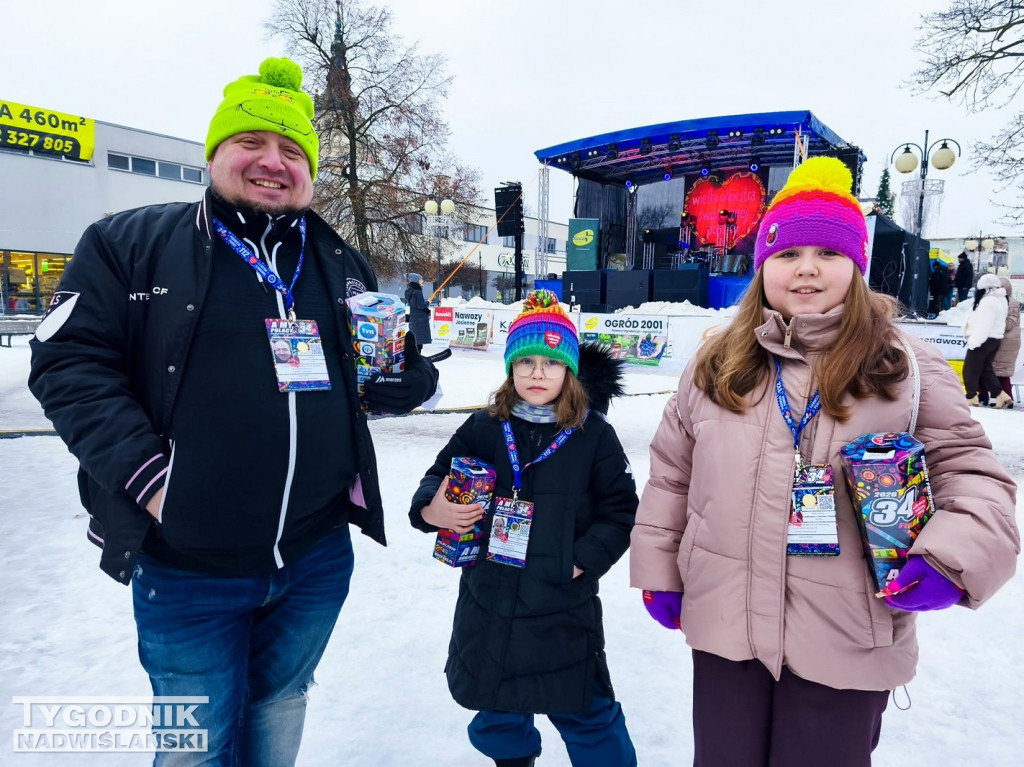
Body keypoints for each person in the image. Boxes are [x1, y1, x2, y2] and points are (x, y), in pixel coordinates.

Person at [28, 57, 439, 766]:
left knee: (280, 705)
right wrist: (151, 481)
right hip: (186, 562)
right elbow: (67, 365)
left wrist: (401, 374)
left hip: (313, 557)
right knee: (194, 746)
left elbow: (368, 386)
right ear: (215, 152)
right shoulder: (130, 245)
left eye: (292, 150)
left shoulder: (339, 262)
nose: (272, 163)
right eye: (253, 142)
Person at [630, 158, 1019, 767]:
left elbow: (970, 473)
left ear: (857, 267)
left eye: (828, 253)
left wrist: (954, 553)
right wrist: (658, 566)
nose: (806, 268)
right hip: (724, 623)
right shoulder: (716, 365)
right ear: (762, 266)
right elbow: (671, 475)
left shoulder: (905, 366)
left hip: (847, 632)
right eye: (787, 254)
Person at [409, 290, 638, 767]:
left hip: (560, 604)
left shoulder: (593, 435)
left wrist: (579, 561)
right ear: (510, 367)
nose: (537, 373)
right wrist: (433, 510)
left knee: (588, 712)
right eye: (526, 361)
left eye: (551, 364)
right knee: (498, 712)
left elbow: (620, 511)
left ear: (569, 371)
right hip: (488, 599)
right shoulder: (483, 426)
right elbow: (438, 476)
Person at [962, 273, 1010, 408]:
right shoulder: (1001, 299)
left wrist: (974, 342)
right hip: (994, 339)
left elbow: (984, 325)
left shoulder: (988, 301)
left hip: (983, 339)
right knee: (985, 369)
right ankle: (1000, 394)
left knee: (970, 369)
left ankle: (971, 397)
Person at [992, 276, 1021, 408]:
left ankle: (1007, 397)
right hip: (1002, 339)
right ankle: (1000, 397)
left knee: (1002, 371)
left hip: (1008, 341)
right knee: (995, 369)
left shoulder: (1012, 303)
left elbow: (1010, 323)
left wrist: (992, 323)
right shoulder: (998, 301)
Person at [404, 272, 432, 351]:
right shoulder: (417, 292)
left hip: (414, 318)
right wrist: (428, 302)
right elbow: (421, 305)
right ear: (416, 281)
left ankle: (416, 355)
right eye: (421, 279)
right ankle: (418, 357)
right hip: (420, 320)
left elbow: (415, 304)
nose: (422, 281)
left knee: (415, 339)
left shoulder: (409, 291)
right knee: (419, 342)